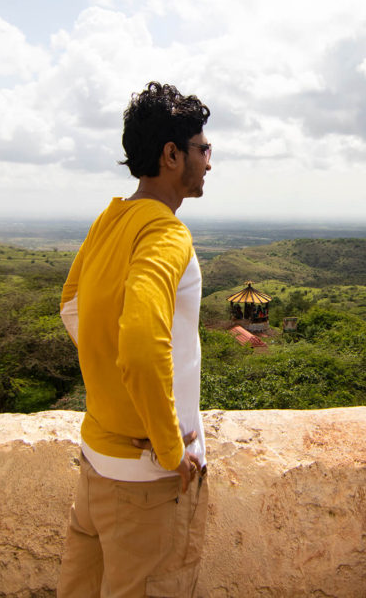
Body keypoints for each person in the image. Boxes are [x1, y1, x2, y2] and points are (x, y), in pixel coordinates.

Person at [57, 81, 213, 597]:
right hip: (147, 482)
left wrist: (117, 399)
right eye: (202, 148)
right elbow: (144, 346)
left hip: (97, 460)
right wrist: (168, 446)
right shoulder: (165, 232)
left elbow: (71, 308)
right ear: (172, 155)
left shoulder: (111, 218)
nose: (210, 161)